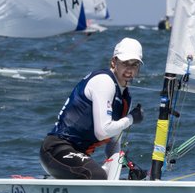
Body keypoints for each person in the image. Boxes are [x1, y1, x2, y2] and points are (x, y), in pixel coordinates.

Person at [40, 37, 145, 180]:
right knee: (96, 175)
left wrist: (117, 172)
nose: (129, 69)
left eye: (135, 65)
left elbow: (113, 141)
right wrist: (131, 119)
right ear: (114, 62)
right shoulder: (104, 81)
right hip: (56, 149)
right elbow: (103, 131)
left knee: (107, 177)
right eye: (125, 63)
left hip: (79, 154)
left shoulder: (125, 97)